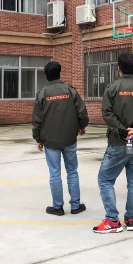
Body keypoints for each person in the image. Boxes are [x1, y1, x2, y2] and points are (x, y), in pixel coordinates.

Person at [94, 53, 133, 234]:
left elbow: (106, 113)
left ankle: (112, 220)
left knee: (105, 179)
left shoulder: (113, 88)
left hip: (118, 142)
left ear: (118, 68)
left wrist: (122, 131)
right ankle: (130, 218)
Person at [32, 61, 89, 216]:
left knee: (55, 174)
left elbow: (37, 119)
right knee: (72, 171)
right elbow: (82, 112)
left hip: (50, 140)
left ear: (46, 76)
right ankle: (75, 206)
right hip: (69, 138)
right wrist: (82, 126)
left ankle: (58, 207)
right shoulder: (70, 91)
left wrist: (38, 138)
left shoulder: (42, 93)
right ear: (60, 73)